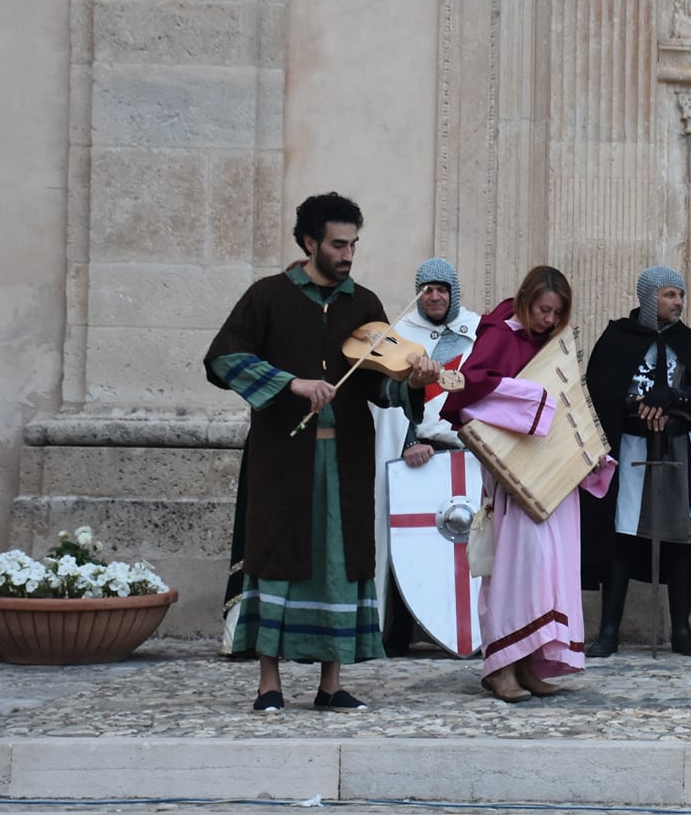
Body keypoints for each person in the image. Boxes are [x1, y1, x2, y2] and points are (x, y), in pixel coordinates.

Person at [203, 193, 439, 712]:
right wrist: (290, 383)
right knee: (277, 557)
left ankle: (331, 684)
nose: (348, 254)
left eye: (353, 244)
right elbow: (223, 358)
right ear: (310, 242)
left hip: (346, 460)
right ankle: (269, 684)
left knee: (340, 561)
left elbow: (381, 387)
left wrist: (414, 381)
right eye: (337, 244)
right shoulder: (268, 296)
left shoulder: (366, 306)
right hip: (282, 461)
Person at [442, 267, 613, 702]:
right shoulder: (498, 335)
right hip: (515, 476)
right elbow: (469, 395)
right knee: (518, 566)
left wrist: (585, 448)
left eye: (557, 313)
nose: (549, 320)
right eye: (543, 310)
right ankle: (501, 666)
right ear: (525, 301)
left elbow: (569, 404)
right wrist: (533, 401)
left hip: (554, 476)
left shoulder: (553, 346)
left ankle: (532, 663)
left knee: (552, 567)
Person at [581, 266, 691, 658]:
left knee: (679, 537)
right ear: (648, 297)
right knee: (622, 534)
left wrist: (673, 397)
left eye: (680, 295)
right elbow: (600, 392)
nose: (678, 302)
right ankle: (608, 632)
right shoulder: (617, 339)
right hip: (630, 447)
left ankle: (681, 630)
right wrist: (636, 404)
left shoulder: (690, 343)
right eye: (670, 295)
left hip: (677, 447)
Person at [374, 257, 482, 655]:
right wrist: (406, 444)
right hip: (418, 453)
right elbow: (390, 402)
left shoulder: (477, 332)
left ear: (453, 293)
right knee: (410, 544)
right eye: (426, 290)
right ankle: (398, 632)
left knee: (470, 539)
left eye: (441, 290)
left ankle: (475, 630)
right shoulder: (400, 335)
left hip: (469, 451)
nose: (434, 297)